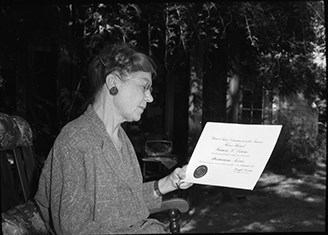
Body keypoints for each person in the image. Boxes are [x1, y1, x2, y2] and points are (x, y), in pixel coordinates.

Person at [34, 42, 193, 234]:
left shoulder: (120, 138)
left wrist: (168, 182)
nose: (150, 98)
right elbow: (74, 229)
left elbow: (122, 204)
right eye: (144, 87)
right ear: (113, 83)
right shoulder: (74, 141)